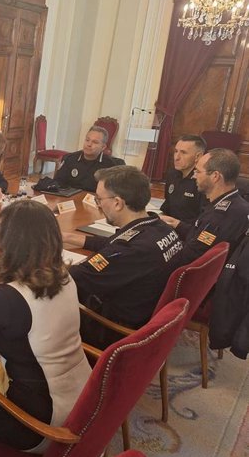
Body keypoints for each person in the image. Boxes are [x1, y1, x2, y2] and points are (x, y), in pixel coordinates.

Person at [0, 201, 91, 452]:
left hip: (38, 427)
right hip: (83, 402)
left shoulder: (8, 298)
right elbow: (20, 300)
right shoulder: (63, 274)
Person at [64, 166, 184, 344]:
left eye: (99, 199)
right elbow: (116, 244)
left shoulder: (131, 251)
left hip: (112, 330)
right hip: (144, 312)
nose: (98, 204)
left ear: (118, 203)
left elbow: (74, 278)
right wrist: (71, 238)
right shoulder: (158, 227)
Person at [160, 148, 249, 265]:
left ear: (215, 176)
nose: (194, 176)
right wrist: (177, 224)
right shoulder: (234, 203)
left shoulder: (220, 216)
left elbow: (191, 255)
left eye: (198, 172)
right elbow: (199, 235)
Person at [54, 125, 123, 192]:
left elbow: (114, 192)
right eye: (87, 140)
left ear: (103, 147)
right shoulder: (70, 158)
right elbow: (58, 183)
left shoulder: (111, 166)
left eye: (95, 142)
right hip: (69, 199)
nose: (89, 144)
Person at [160, 135, 207, 222]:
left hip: (189, 231)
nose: (176, 157)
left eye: (183, 153)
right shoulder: (172, 174)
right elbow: (167, 205)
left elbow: (203, 220)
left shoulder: (203, 181)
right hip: (169, 227)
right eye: (176, 151)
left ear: (198, 156)